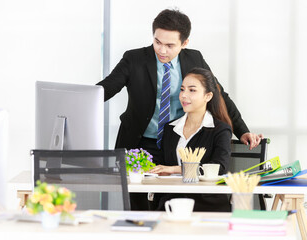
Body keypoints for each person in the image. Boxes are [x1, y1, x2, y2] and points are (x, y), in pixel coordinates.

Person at [97, 9, 262, 210]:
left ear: (184, 43)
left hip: (174, 144)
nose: (162, 50)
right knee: (136, 203)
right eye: (157, 42)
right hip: (139, 143)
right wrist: (78, 101)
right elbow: (107, 88)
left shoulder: (194, 59)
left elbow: (218, 94)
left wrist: (242, 130)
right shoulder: (134, 59)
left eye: (169, 45)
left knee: (170, 198)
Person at [149, 67, 232, 212]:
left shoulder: (220, 130)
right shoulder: (170, 128)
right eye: (182, 89)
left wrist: (173, 169)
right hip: (172, 202)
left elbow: (218, 168)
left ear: (208, 96)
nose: (183, 95)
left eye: (192, 90)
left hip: (207, 204)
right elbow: (162, 166)